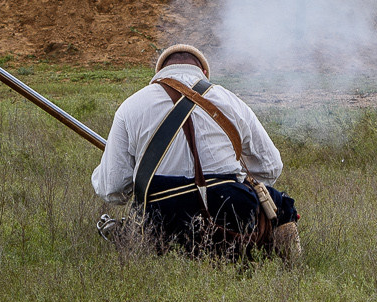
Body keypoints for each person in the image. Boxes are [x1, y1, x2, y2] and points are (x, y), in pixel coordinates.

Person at [91, 44, 300, 260]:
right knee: (283, 205)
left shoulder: (130, 106)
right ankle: (286, 265)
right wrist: (236, 179)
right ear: (204, 73)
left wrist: (116, 171)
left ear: (159, 73)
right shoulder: (230, 100)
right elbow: (270, 167)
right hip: (230, 212)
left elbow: (113, 188)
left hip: (161, 222)